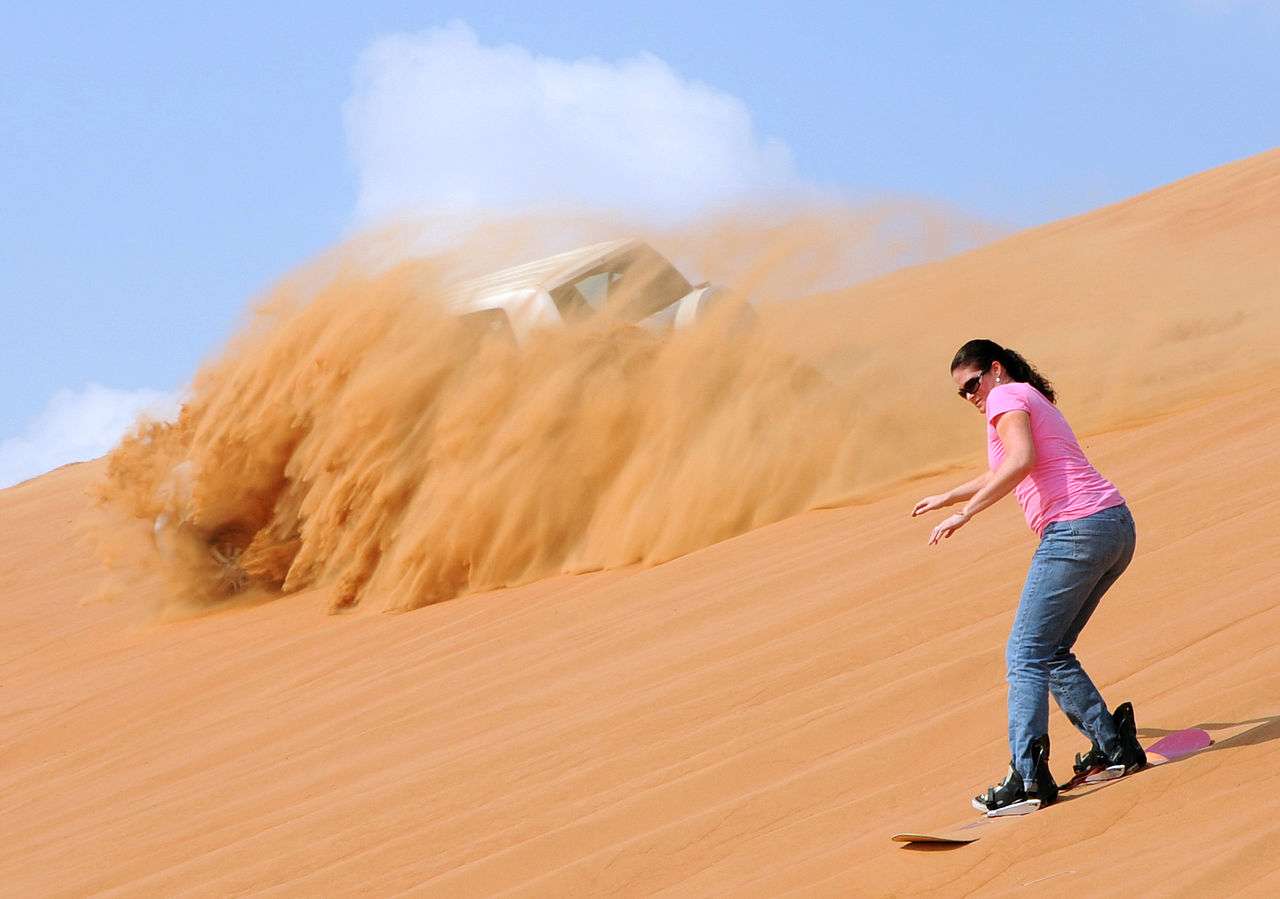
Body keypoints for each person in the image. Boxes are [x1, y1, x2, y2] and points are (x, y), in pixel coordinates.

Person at [912, 338, 1147, 814]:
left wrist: (968, 515)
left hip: (1076, 531)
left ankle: (1028, 776)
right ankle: (1113, 745)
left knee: (1024, 654)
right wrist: (950, 497)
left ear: (995, 370)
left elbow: (1021, 462)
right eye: (962, 393)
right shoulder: (1024, 396)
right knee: (1051, 651)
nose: (972, 397)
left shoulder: (1005, 396)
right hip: (1114, 526)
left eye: (973, 384)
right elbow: (1004, 464)